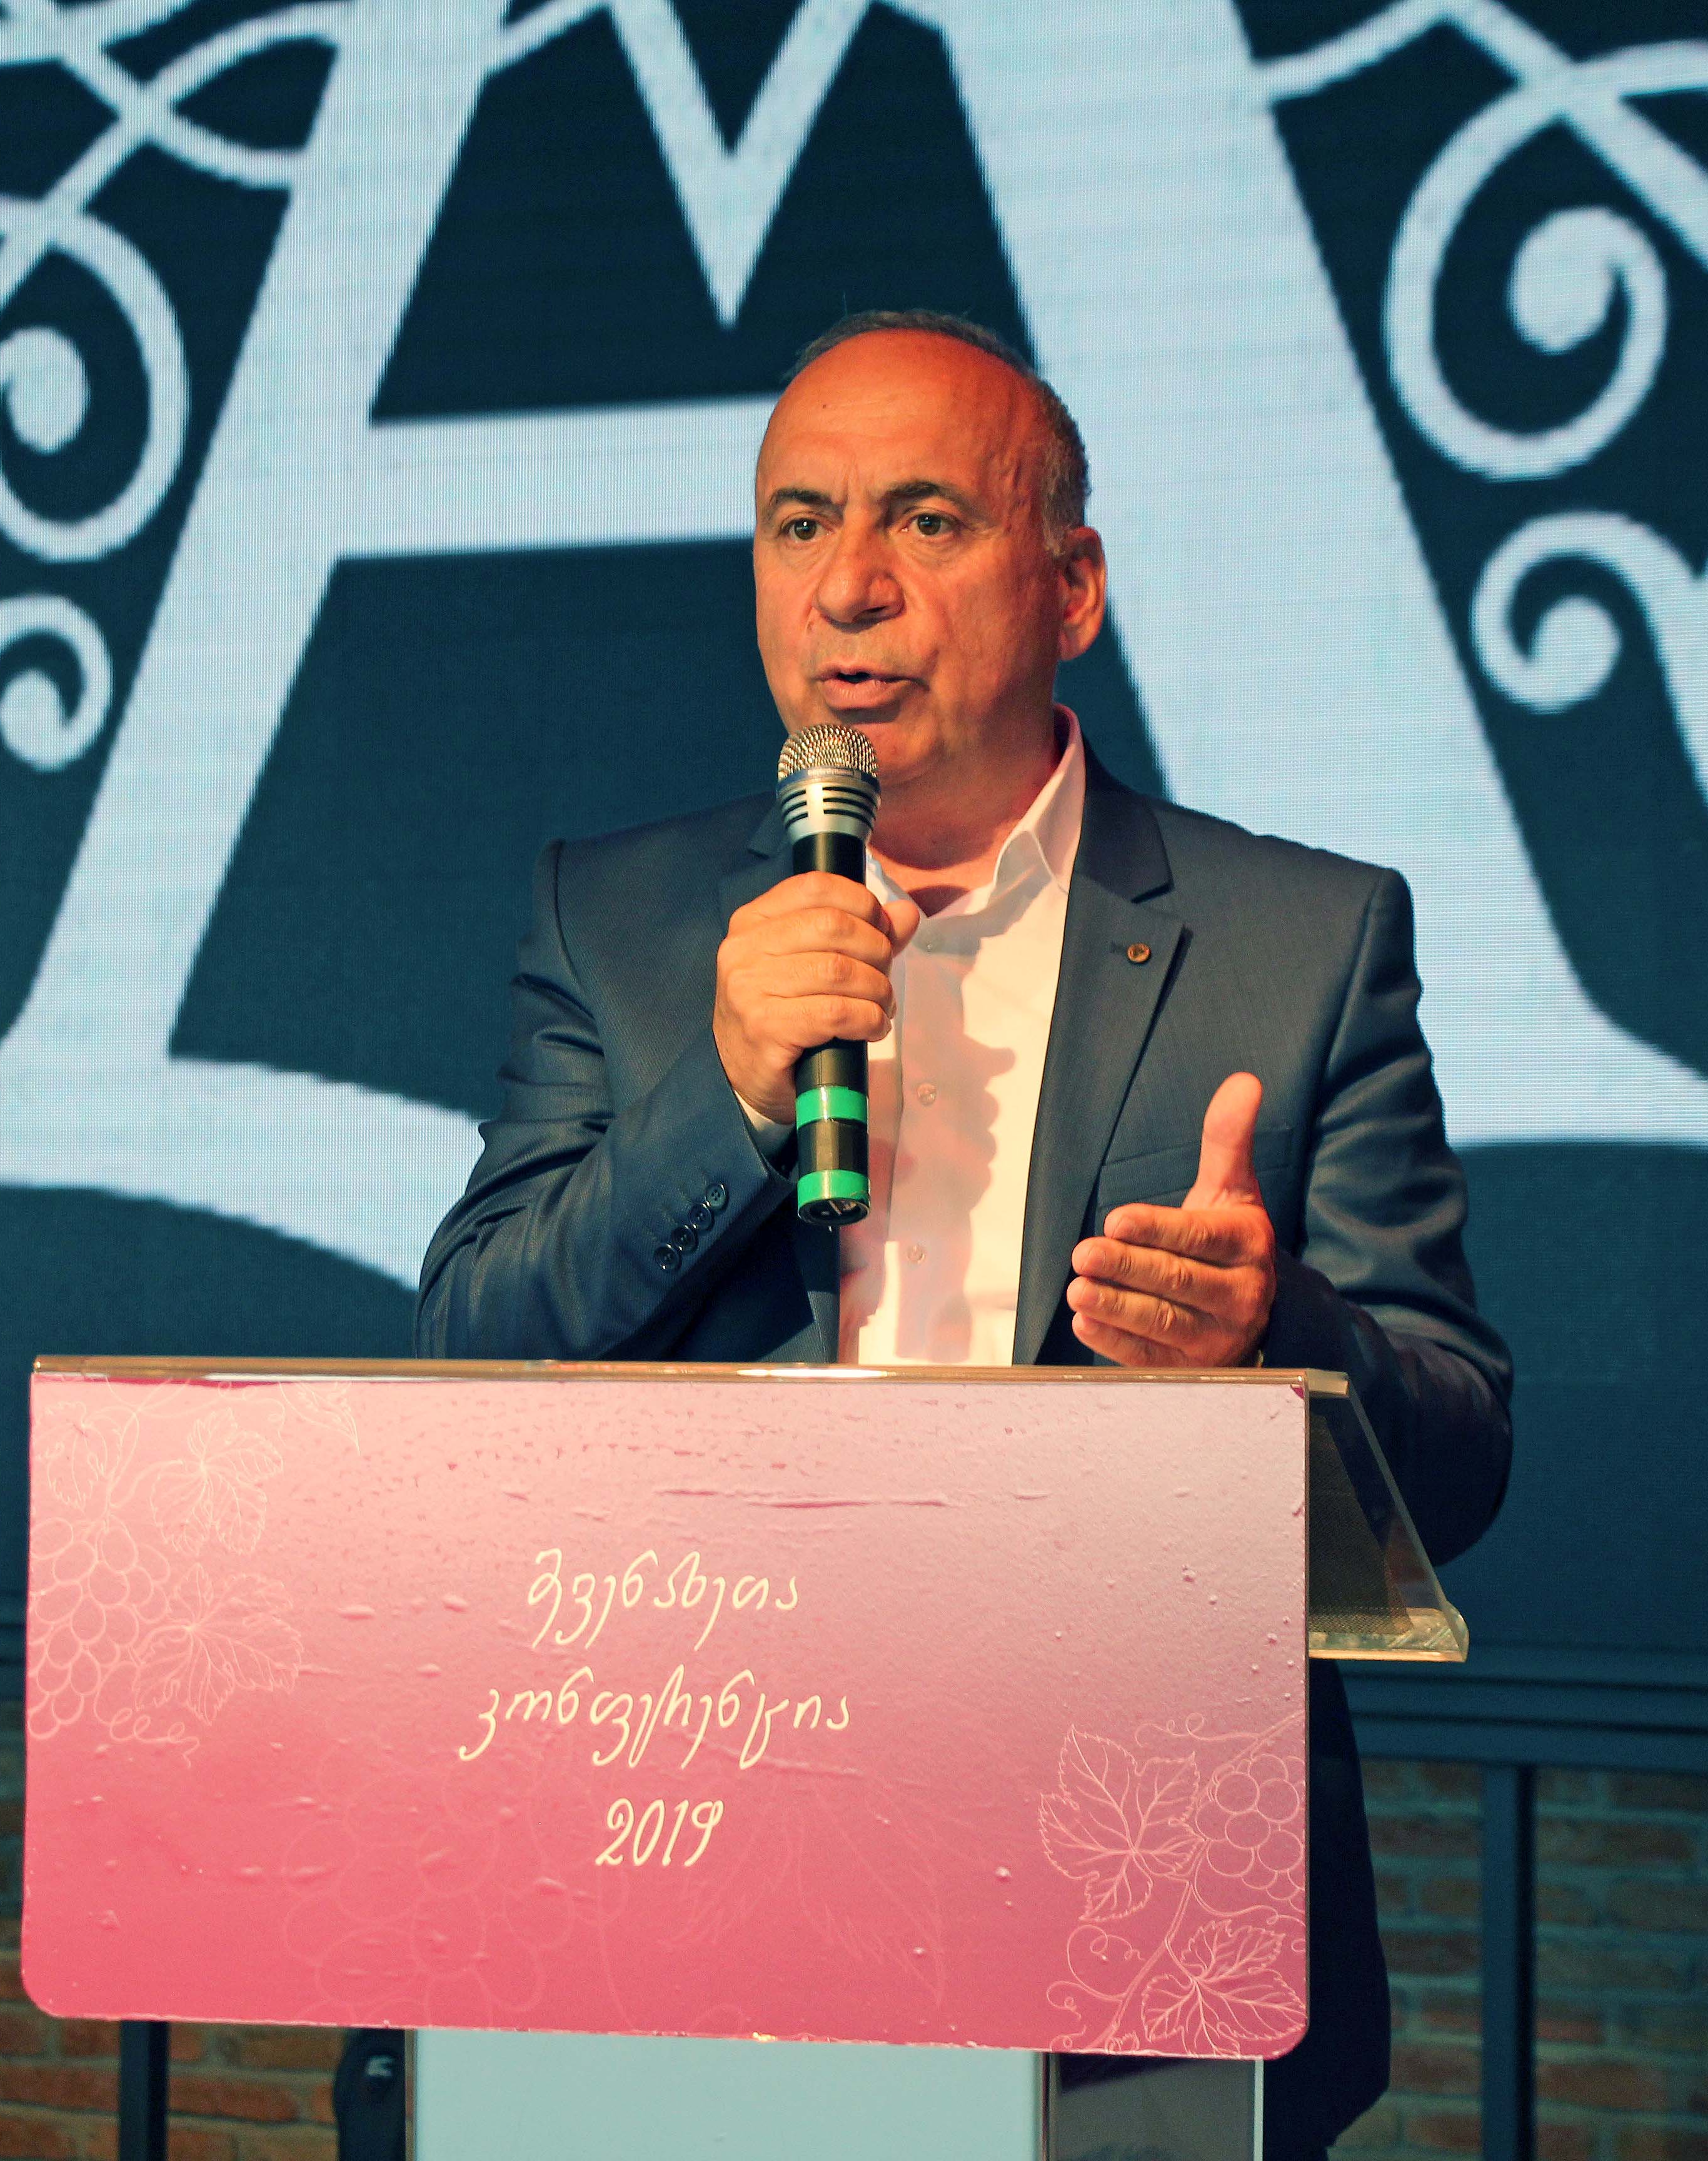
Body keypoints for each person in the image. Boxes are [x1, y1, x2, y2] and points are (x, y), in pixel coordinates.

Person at [416, 309, 1512, 2152]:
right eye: (798, 523)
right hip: (675, 1890)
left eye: (926, 521)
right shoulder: (616, 920)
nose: (847, 587)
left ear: (1071, 587)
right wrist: (728, 1097)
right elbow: (471, 1351)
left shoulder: (1301, 941)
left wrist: (1270, 1342)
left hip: (1120, 1936)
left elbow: (1460, 1459)